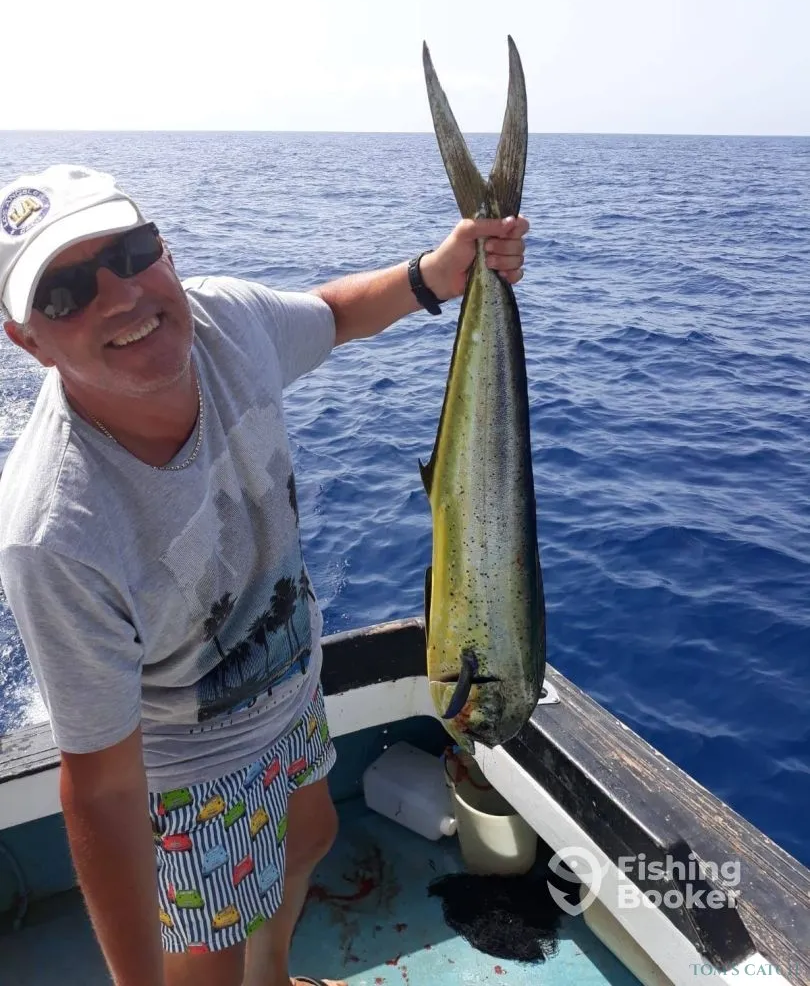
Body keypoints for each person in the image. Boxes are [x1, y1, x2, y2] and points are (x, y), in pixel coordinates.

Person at [0, 164, 528, 986]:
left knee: (310, 838)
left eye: (132, 253)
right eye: (65, 294)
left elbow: (334, 314)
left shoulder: (227, 322)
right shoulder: (55, 532)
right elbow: (100, 791)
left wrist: (435, 273)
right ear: (28, 341)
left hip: (291, 690)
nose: (121, 296)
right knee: (205, 964)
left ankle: (273, 977)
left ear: (165, 252)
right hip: (188, 770)